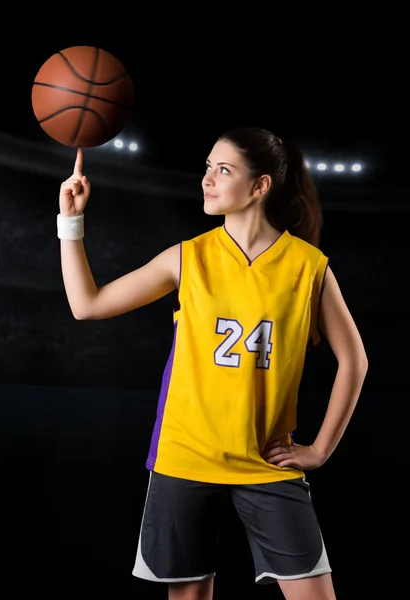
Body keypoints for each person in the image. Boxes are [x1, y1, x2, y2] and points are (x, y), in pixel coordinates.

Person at [56, 126, 368, 600]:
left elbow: (355, 362)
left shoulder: (309, 267)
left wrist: (319, 449)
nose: (207, 179)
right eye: (207, 167)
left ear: (261, 186)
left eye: (223, 170)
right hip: (185, 458)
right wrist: (71, 222)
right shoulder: (188, 258)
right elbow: (87, 304)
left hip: (265, 461)